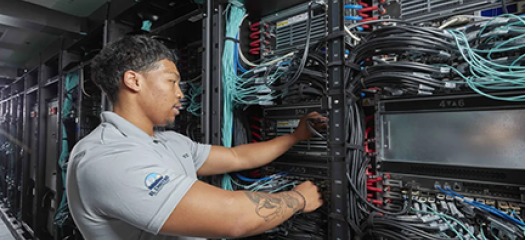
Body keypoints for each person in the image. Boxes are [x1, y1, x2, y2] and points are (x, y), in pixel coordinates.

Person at [66, 35, 326, 240]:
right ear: (134, 81)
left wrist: (295, 136)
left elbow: (237, 157)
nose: (180, 94)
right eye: (171, 81)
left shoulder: (169, 142)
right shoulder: (107, 157)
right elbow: (233, 218)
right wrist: (298, 200)